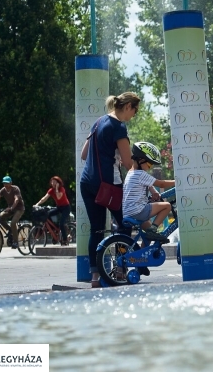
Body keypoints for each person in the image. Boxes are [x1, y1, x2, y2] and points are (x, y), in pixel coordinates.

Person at [80, 92, 140, 288]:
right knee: (125, 223)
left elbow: (83, 154)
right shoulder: (118, 127)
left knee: (96, 229)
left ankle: (95, 278)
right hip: (107, 185)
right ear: (128, 106)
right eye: (135, 110)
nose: (134, 114)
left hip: (87, 183)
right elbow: (128, 161)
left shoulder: (98, 122)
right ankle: (121, 270)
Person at [122, 142, 176, 242]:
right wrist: (177, 181)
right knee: (167, 206)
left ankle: (142, 257)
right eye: (149, 163)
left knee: (149, 236)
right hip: (138, 211)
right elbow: (161, 184)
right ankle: (153, 230)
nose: (150, 167)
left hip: (129, 212)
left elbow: (149, 185)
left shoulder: (131, 173)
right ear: (141, 160)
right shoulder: (140, 173)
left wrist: (155, 192)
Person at [0, 176, 25, 248]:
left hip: (19, 208)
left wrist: (11, 208)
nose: (5, 185)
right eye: (4, 183)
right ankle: (10, 230)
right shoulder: (3, 190)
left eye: (7, 183)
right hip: (10, 208)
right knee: (0, 217)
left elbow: (16, 200)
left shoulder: (15, 189)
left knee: (13, 223)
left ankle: (15, 242)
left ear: (11, 183)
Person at [35, 176, 71, 245]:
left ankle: (65, 239)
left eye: (54, 182)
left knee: (61, 223)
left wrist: (57, 188)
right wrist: (37, 204)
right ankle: (54, 230)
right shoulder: (51, 190)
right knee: (47, 215)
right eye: (52, 182)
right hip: (59, 207)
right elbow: (44, 198)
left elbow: (58, 197)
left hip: (66, 208)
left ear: (58, 183)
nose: (53, 183)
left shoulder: (61, 189)